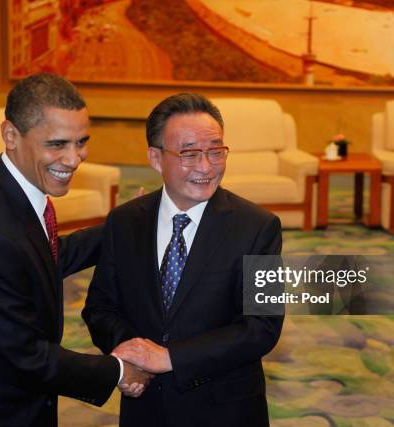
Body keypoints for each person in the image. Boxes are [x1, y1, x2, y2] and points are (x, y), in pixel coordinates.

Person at [0, 73, 149, 427]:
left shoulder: (7, 190)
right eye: (57, 144)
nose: (73, 158)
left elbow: (44, 256)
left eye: (81, 141)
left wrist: (117, 230)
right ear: (11, 136)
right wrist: (118, 370)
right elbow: (24, 357)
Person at [82, 93, 284, 427]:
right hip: (145, 406)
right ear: (156, 158)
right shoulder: (125, 221)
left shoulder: (258, 227)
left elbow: (261, 327)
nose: (206, 167)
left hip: (224, 409)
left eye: (216, 151)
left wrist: (170, 358)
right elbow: (100, 307)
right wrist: (133, 356)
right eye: (189, 153)